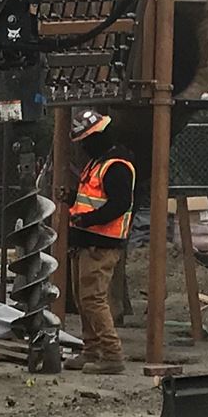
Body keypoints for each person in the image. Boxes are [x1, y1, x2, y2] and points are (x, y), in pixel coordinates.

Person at [64, 109, 136, 372]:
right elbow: (93, 200)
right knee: (83, 299)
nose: (83, 146)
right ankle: (91, 350)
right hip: (86, 241)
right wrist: (72, 200)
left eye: (86, 140)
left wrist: (88, 221)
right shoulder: (97, 163)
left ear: (97, 137)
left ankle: (112, 355)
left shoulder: (116, 166)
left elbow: (119, 204)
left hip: (101, 244)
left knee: (93, 299)